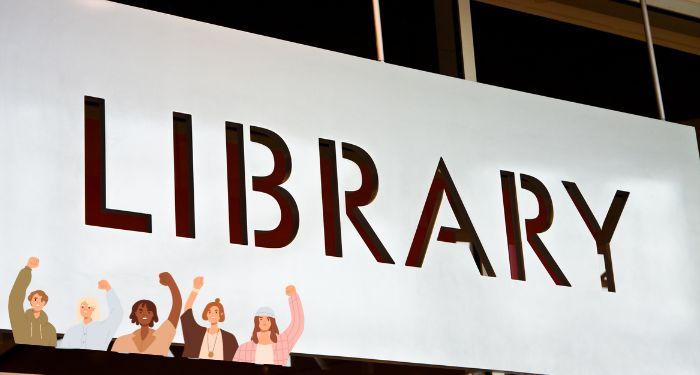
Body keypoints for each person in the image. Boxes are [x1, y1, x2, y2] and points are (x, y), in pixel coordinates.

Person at [111, 272, 182, 356]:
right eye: (140, 311)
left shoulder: (163, 336)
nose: (144, 314)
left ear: (153, 315)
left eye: (148, 312)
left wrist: (171, 284)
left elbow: (177, 307)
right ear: (135, 314)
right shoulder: (122, 341)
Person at [233, 285, 304, 366]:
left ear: (272, 322)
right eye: (261, 319)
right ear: (256, 322)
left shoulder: (283, 342)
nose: (264, 322)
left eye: (268, 319)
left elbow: (298, 324)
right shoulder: (244, 349)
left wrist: (293, 296)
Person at [180, 276, 238, 360]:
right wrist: (195, 289)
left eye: (216, 312)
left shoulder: (229, 338)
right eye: (209, 312)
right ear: (206, 315)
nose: (212, 314)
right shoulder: (198, 333)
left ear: (220, 315)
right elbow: (187, 311)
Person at [58, 279, 123, 350]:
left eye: (89, 307)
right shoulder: (71, 331)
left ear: (94, 309)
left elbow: (117, 313)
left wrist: (108, 289)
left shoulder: (103, 328)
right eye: (82, 306)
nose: (85, 309)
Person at [8, 257, 57, 346]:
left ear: (44, 303)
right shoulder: (20, 322)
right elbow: (14, 300)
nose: (38, 302)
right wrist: (27, 269)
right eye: (35, 299)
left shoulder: (50, 329)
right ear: (30, 301)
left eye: (42, 300)